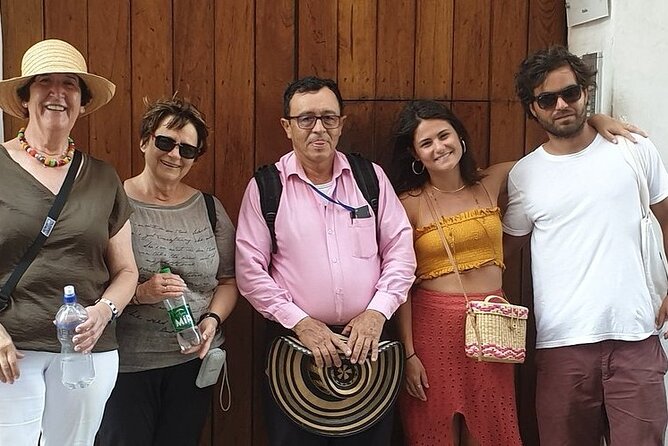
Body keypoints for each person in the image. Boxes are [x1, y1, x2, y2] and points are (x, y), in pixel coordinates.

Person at [389, 99, 641, 446]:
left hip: (493, 325)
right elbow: (399, 281)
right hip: (432, 329)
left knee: (490, 426)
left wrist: (594, 120)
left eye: (443, 135)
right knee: (434, 428)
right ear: (416, 155)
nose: (439, 147)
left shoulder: (491, 181)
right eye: (426, 143)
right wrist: (409, 352)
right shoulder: (408, 203)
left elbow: (552, 150)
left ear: (460, 137)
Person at [235, 76, 416, 445]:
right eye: (306, 119)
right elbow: (249, 271)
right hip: (295, 352)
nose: (318, 128)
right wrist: (300, 322)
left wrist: (377, 312)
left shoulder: (371, 178)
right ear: (287, 127)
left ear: (341, 124)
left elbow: (400, 250)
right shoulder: (267, 187)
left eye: (328, 118)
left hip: (369, 347)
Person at [504, 45, 668, 446]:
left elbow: (665, 221)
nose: (562, 105)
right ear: (532, 109)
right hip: (563, 345)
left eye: (571, 93)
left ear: (586, 93)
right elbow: (505, 254)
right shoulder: (525, 176)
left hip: (637, 335)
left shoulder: (632, 149)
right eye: (547, 98)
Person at [0, 39, 139, 445]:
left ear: (82, 101)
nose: (58, 93)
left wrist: (104, 311)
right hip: (11, 349)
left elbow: (128, 270)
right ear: (25, 98)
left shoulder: (103, 177)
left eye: (70, 84)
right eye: (45, 82)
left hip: (86, 352)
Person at [97, 97, 237, 446]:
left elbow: (229, 280)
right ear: (145, 141)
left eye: (187, 150)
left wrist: (213, 320)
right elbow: (89, 280)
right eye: (165, 142)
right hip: (126, 365)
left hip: (191, 364)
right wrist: (141, 292)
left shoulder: (209, 208)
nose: (174, 155)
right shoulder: (112, 203)